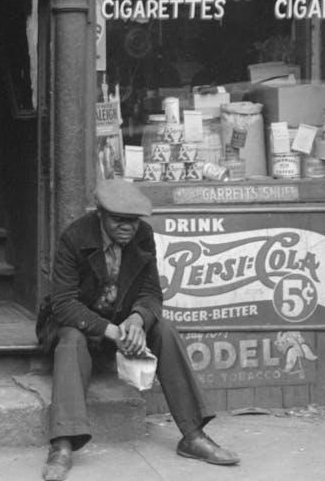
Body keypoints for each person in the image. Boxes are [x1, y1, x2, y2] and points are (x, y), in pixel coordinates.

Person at [36, 178, 239, 481]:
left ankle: (193, 435)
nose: (127, 227)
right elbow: (64, 305)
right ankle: (62, 445)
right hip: (78, 327)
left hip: (120, 323)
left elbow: (151, 292)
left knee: (165, 330)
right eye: (119, 219)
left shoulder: (143, 236)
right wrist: (112, 332)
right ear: (100, 214)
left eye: (133, 221)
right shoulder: (74, 237)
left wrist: (137, 320)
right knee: (71, 338)